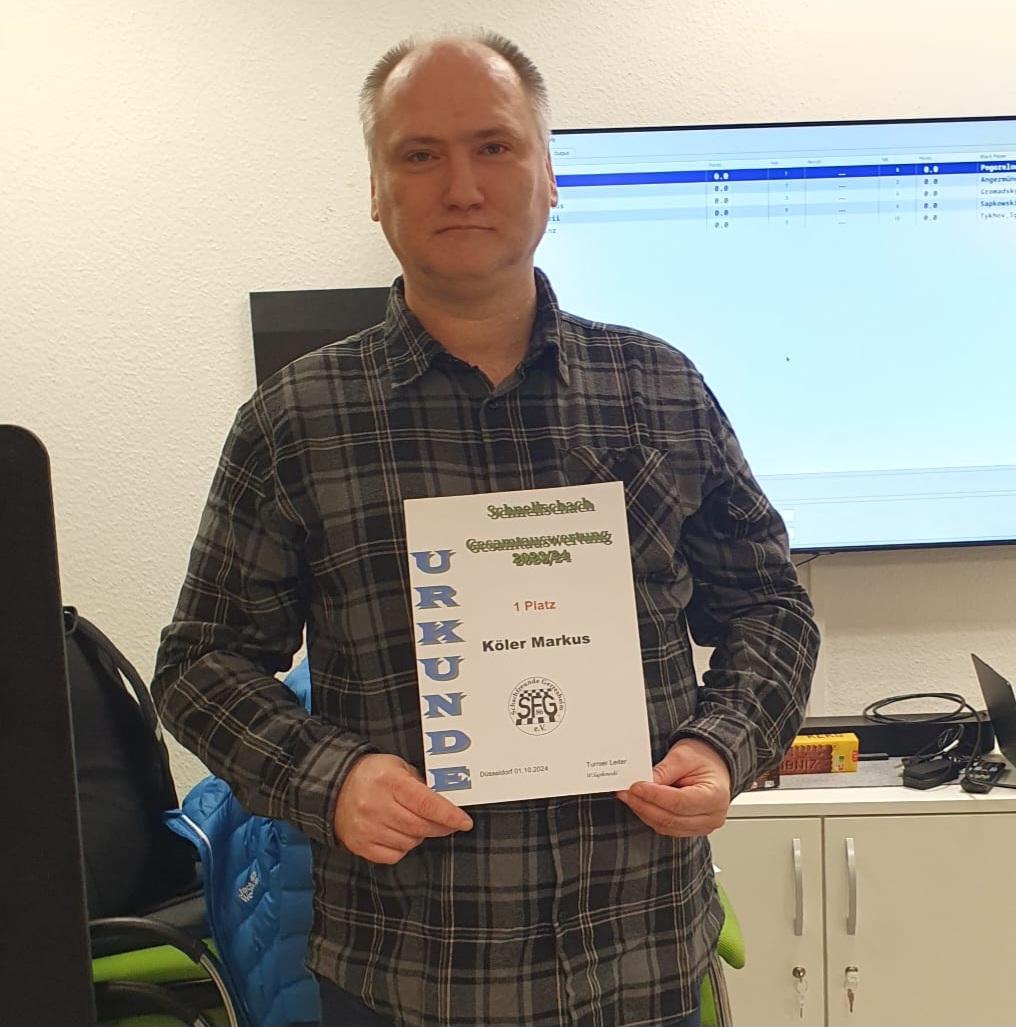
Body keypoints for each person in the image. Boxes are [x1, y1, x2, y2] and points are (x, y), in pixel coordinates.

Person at [153, 30, 819, 1027]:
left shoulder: (660, 388)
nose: (460, 185)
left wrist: (724, 745)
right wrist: (331, 779)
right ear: (376, 191)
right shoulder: (295, 421)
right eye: (419, 154)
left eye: (494, 146)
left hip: (637, 961)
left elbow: (770, 607)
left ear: (548, 175)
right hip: (402, 977)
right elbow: (199, 663)